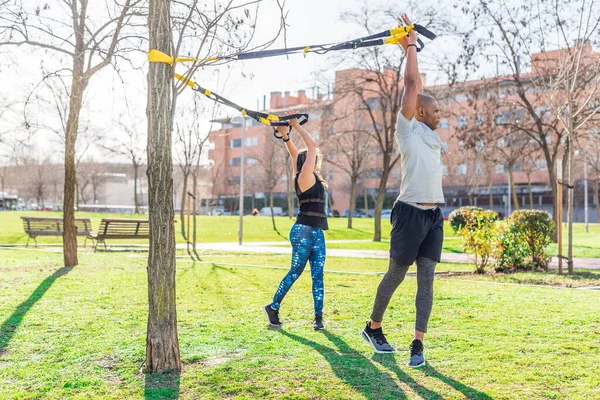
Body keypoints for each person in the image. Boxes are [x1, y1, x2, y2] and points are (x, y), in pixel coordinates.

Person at [360, 14, 444, 368]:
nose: (440, 113)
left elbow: (418, 84)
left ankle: (417, 344)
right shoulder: (407, 130)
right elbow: (412, 85)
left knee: (427, 280)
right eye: (436, 109)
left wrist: (411, 47)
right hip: (409, 212)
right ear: (421, 111)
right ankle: (373, 326)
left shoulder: (430, 134)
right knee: (397, 274)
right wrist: (409, 45)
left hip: (434, 214)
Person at [263, 115, 329, 330]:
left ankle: (318, 319)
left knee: (318, 277)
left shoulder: (304, 174)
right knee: (295, 272)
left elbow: (295, 153)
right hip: (303, 231)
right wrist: (296, 126)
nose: (314, 158)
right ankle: (273, 306)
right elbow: (312, 146)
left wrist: (285, 136)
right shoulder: (304, 176)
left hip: (316, 231)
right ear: (307, 162)